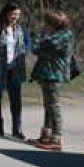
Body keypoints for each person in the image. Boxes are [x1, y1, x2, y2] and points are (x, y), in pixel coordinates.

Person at [28, 11, 75, 151]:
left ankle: (56, 138)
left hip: (55, 75)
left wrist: (38, 36)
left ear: (55, 24)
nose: (45, 25)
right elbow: (38, 48)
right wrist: (41, 37)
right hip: (47, 74)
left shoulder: (64, 35)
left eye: (47, 23)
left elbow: (38, 48)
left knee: (54, 106)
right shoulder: (53, 35)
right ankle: (46, 135)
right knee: (48, 106)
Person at [0, 3, 29, 139]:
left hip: (15, 69)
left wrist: (21, 53)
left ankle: (16, 129)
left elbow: (27, 44)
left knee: (16, 100)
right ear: (6, 13)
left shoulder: (21, 29)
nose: (16, 17)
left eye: (18, 14)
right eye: (14, 14)